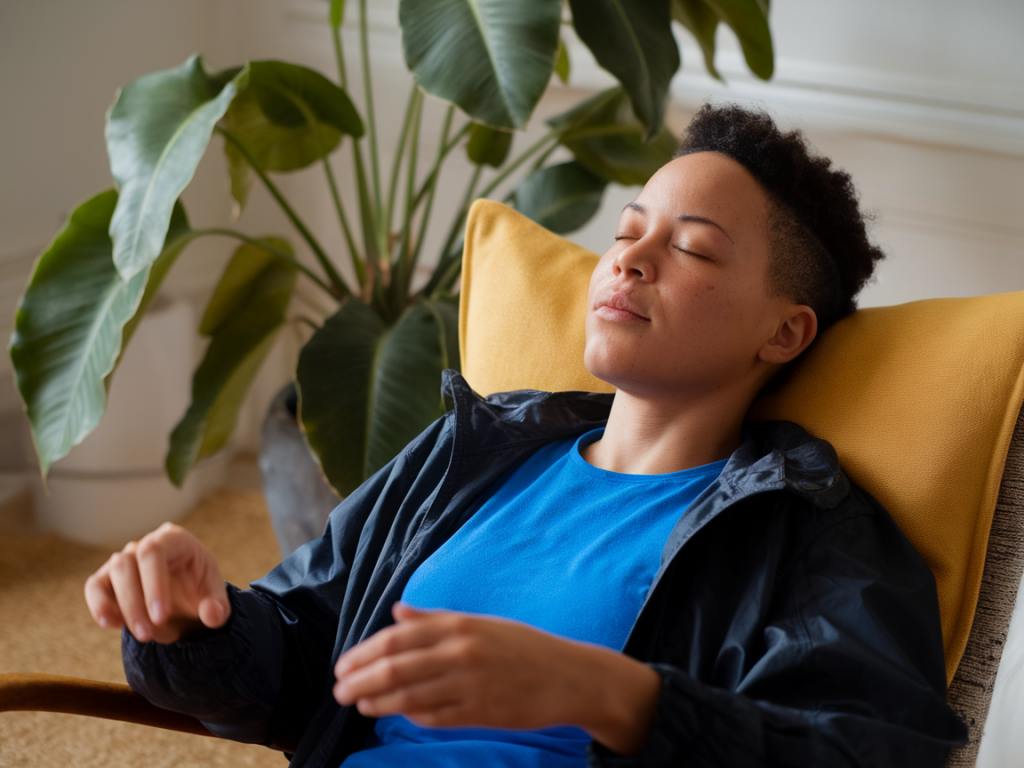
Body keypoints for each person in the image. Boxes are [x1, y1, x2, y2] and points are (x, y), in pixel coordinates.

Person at [84, 104, 967, 767]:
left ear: (784, 333)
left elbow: (870, 751)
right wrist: (192, 623)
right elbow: (296, 660)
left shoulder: (814, 531)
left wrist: (617, 698)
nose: (626, 259)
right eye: (627, 232)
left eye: (692, 249)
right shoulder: (472, 452)